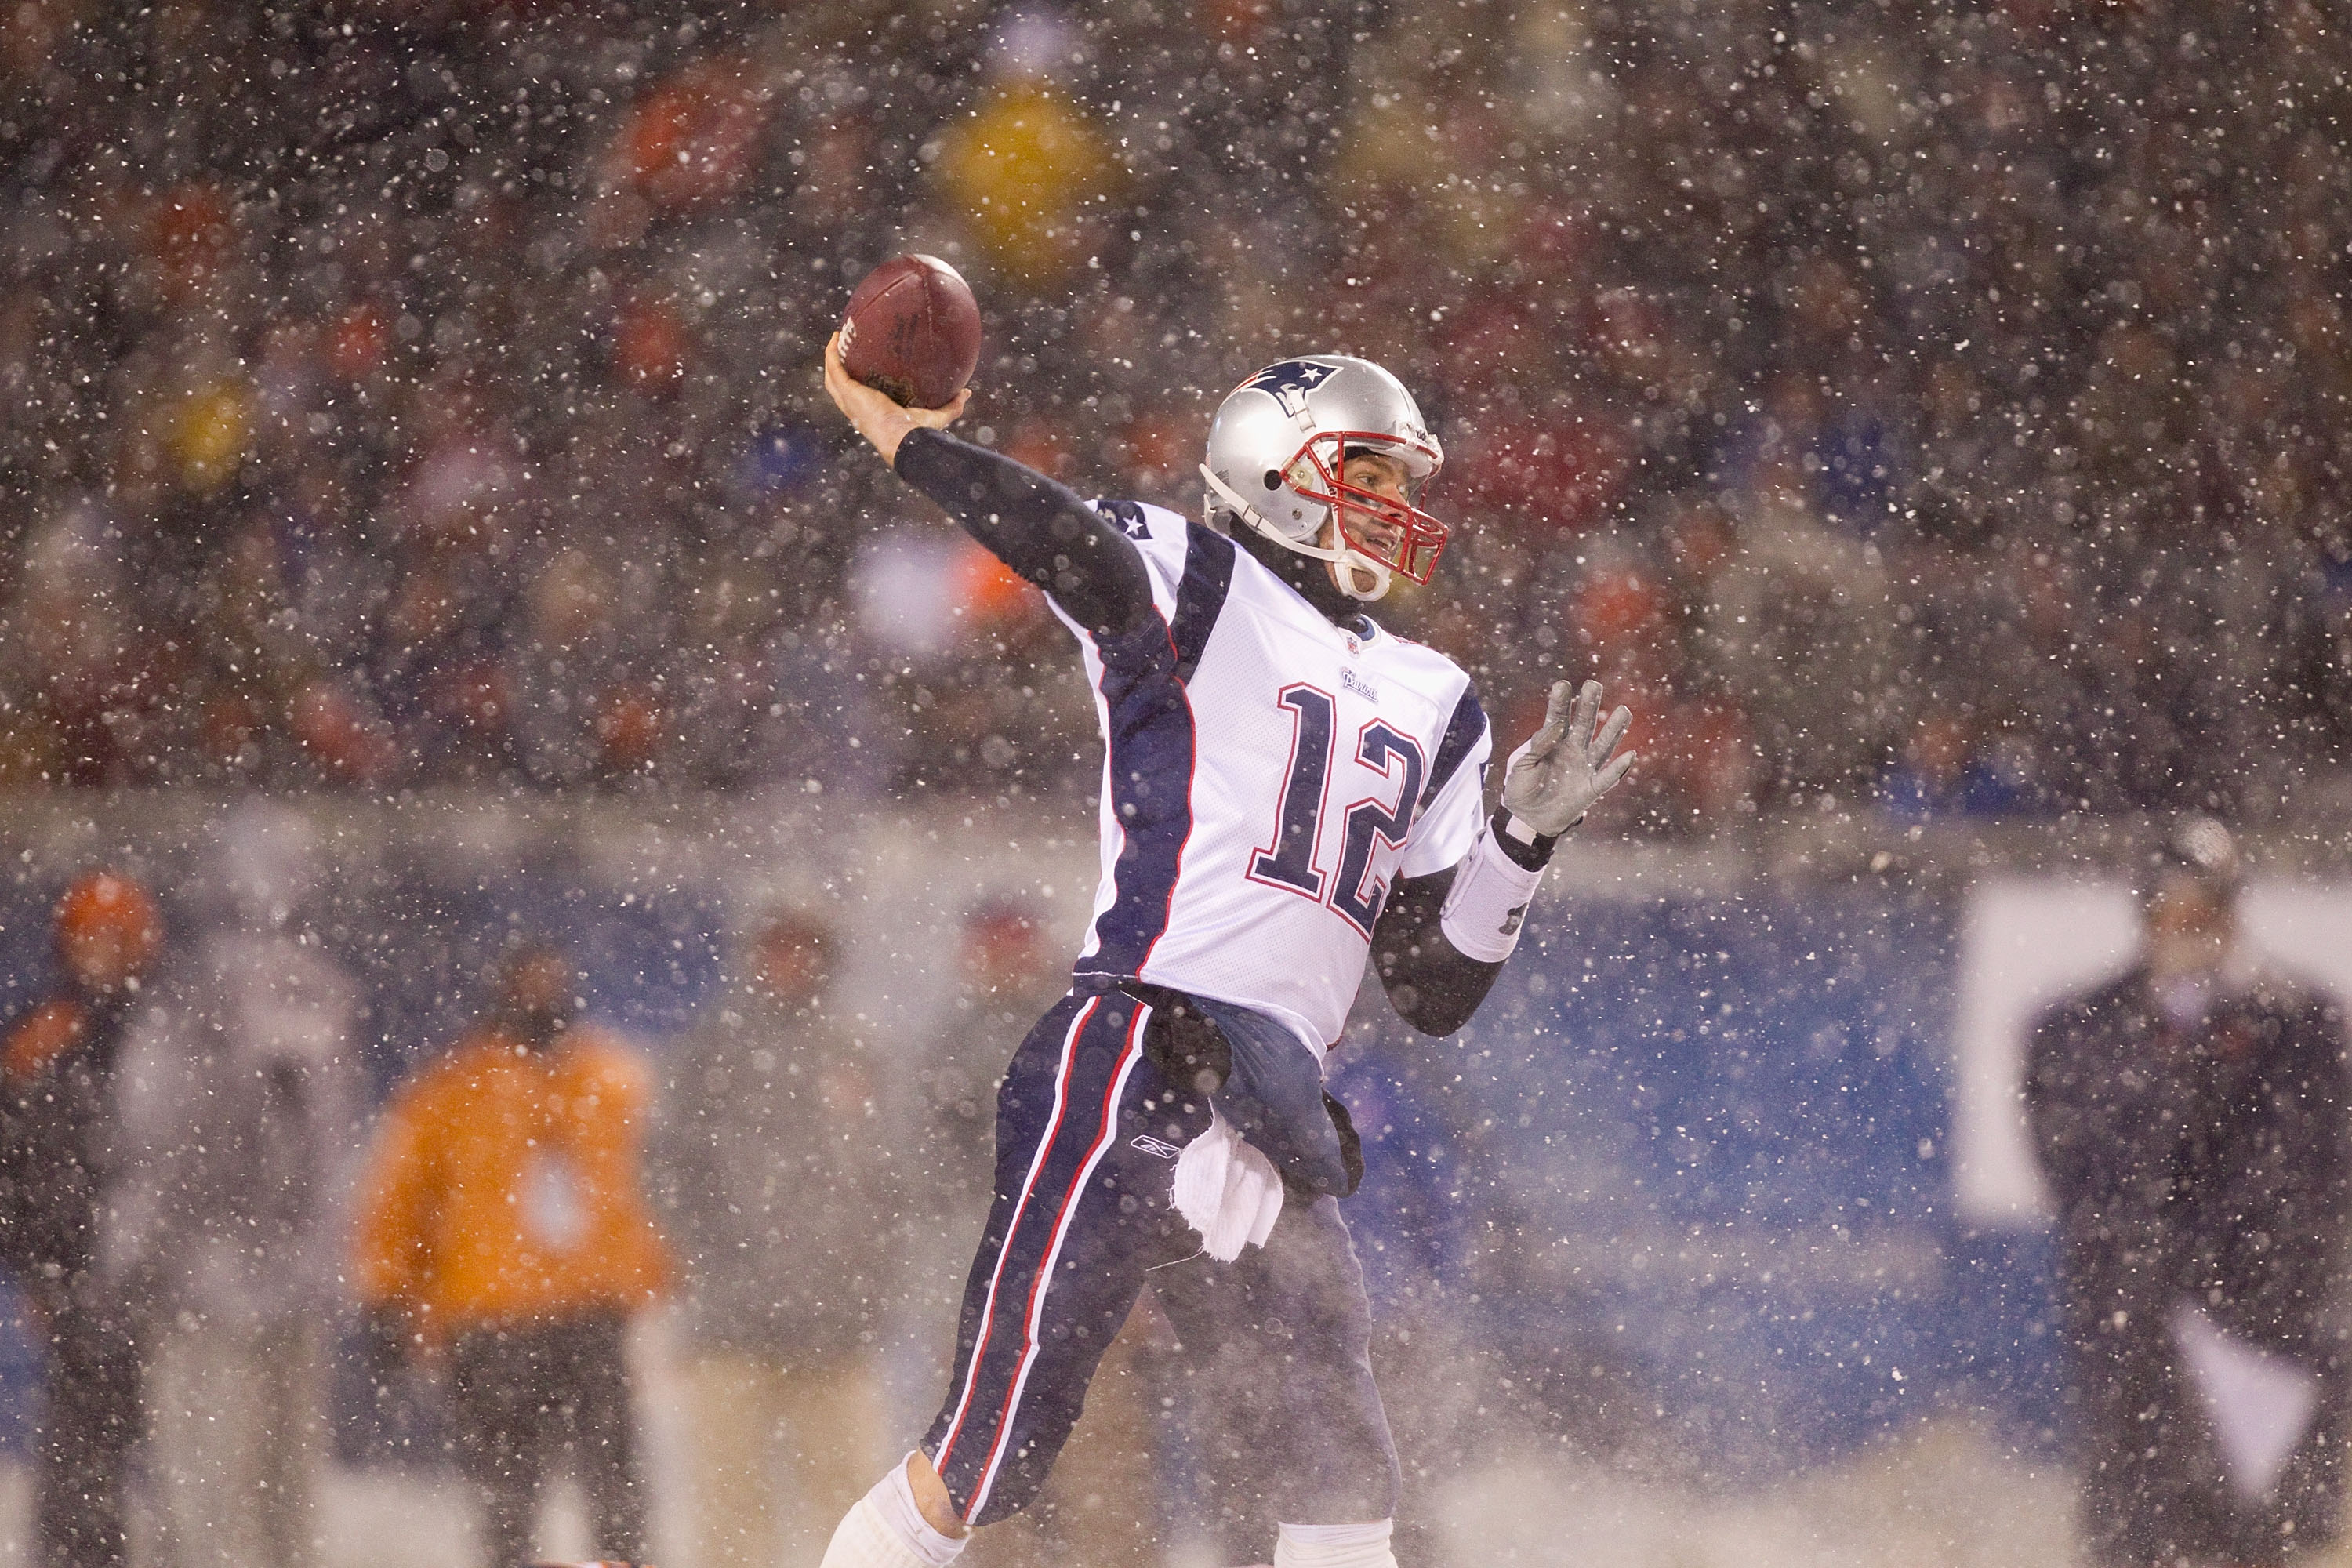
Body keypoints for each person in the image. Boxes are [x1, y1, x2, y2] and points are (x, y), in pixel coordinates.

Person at [814, 342, 1636, 1568]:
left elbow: (1433, 986)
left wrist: (1520, 841)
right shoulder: (1197, 579)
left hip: (1275, 1100)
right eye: (1368, 473)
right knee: (998, 1447)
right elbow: (1058, 537)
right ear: (1280, 470)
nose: (1396, 507)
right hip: (1135, 1047)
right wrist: (909, 438)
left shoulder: (1436, 696)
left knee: (1342, 1471)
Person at [2027, 818, 2352, 1568]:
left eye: (2202, 909)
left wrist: (2218, 1256)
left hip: (2264, 1322)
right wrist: (2150, 1252)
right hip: (2135, 1327)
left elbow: (2307, 1170)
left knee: (2267, 1534)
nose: (2186, 928)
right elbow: (2070, 1164)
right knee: (2137, 1530)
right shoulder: (2077, 1028)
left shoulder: (2299, 1021)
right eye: (2169, 909)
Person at [351, 941, 671, 1568]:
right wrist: (388, 1293)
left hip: (590, 1315)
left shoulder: (612, 1080)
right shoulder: (453, 1088)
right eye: (527, 986)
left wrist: (654, 1281)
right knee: (506, 1508)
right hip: (491, 1321)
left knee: (617, 1503)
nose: (540, 1000)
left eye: (551, 985)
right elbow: (398, 1198)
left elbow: (658, 1189)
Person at [105, 805, 363, 1568]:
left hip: (208, 1285)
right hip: (261, 1280)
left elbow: (157, 1135)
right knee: (273, 1504)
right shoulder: (313, 991)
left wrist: (142, 1255)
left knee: (215, 1506)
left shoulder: (193, 995)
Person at [651, 909, 898, 1568]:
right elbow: (665, 1164)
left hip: (837, 1322)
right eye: (776, 946)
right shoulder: (712, 1049)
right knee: (732, 1503)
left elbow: (894, 1179)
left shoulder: (853, 1048)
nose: (789, 961)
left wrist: (868, 1276)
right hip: (732, 1321)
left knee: (848, 1506)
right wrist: (714, 1252)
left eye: (803, 947)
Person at [0, 869, 164, 1568]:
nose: (100, 953)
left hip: (160, 1271)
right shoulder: (44, 1034)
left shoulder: (168, 1030)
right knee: (82, 1442)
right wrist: (39, 1261)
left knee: (169, 1440)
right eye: (88, 938)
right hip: (78, 1268)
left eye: (114, 938)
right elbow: (19, 1159)